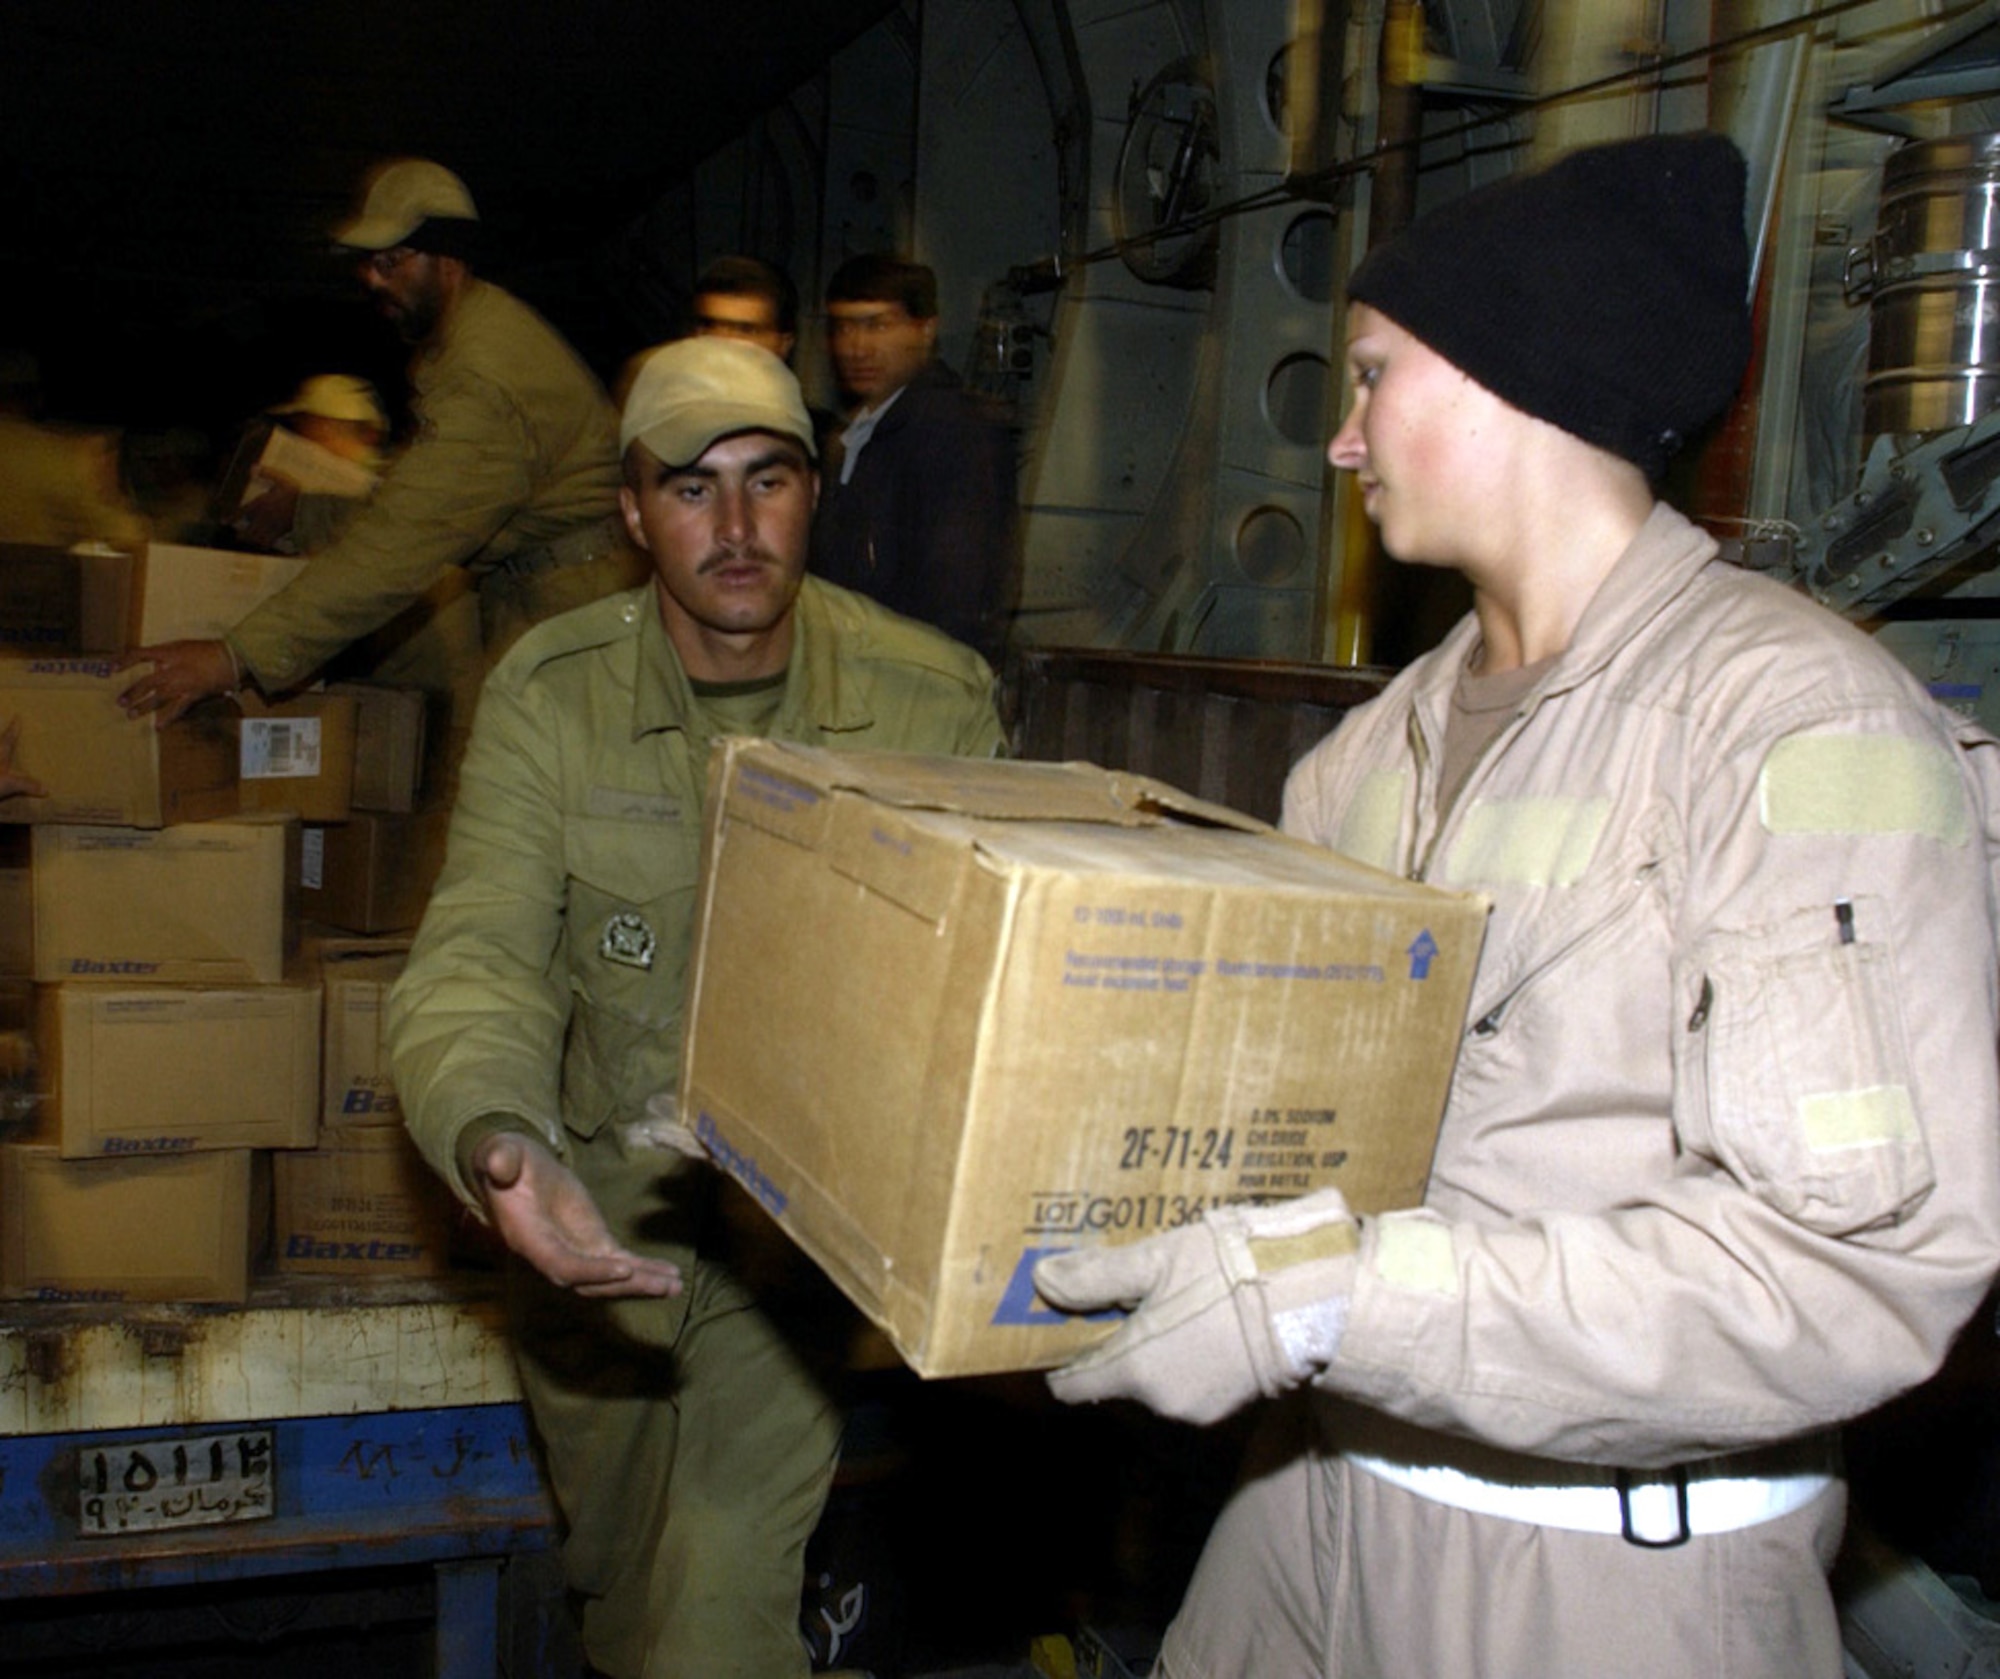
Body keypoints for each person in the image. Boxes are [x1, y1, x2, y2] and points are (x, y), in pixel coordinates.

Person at [1033, 132, 2000, 1678]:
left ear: (1510, 378)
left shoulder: (1797, 729)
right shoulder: (1364, 762)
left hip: (1607, 1580)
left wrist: (1329, 1297)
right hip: (1311, 1506)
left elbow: (1854, 1273)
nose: (1341, 440)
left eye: (1370, 376)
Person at [384, 335, 1002, 1679]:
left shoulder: (925, 700)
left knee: (715, 1620)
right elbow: (480, 950)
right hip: (592, 1234)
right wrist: (498, 1133)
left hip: (789, 1256)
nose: (733, 526)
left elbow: (990, 995)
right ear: (629, 509)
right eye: (689, 487)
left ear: (816, 487)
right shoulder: (553, 695)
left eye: (768, 479)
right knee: (618, 1595)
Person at [117, 158, 632, 725]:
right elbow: (419, 502)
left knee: (516, 800)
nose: (371, 279)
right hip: (553, 599)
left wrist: (234, 658)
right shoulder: (468, 340)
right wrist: (304, 515)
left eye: (392, 261)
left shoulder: (481, 378)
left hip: (573, 617)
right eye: (367, 263)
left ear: (450, 260)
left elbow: (402, 543)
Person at [811, 253, 1016, 666]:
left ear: (925, 330)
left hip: (909, 688)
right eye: (845, 326)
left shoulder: (953, 433)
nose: (857, 347)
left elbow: (956, 601)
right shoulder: (860, 433)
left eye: (878, 325)